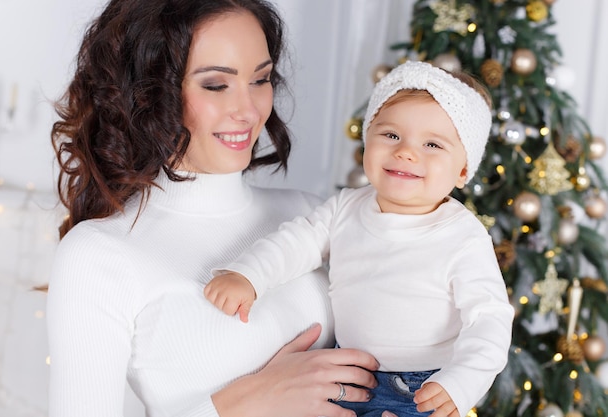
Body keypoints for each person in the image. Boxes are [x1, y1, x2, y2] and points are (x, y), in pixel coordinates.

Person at [45, 1, 396, 416]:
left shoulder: (311, 214)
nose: (248, 111)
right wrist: (248, 402)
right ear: (147, 92)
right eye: (215, 85)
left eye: (261, 79)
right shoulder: (99, 255)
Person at [204, 61, 516, 417]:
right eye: (391, 135)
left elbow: (489, 319)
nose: (407, 152)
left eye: (432, 144)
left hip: (423, 390)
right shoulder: (346, 208)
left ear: (463, 170)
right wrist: (248, 276)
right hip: (348, 374)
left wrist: (460, 383)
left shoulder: (463, 236)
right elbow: (296, 242)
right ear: (368, 137)